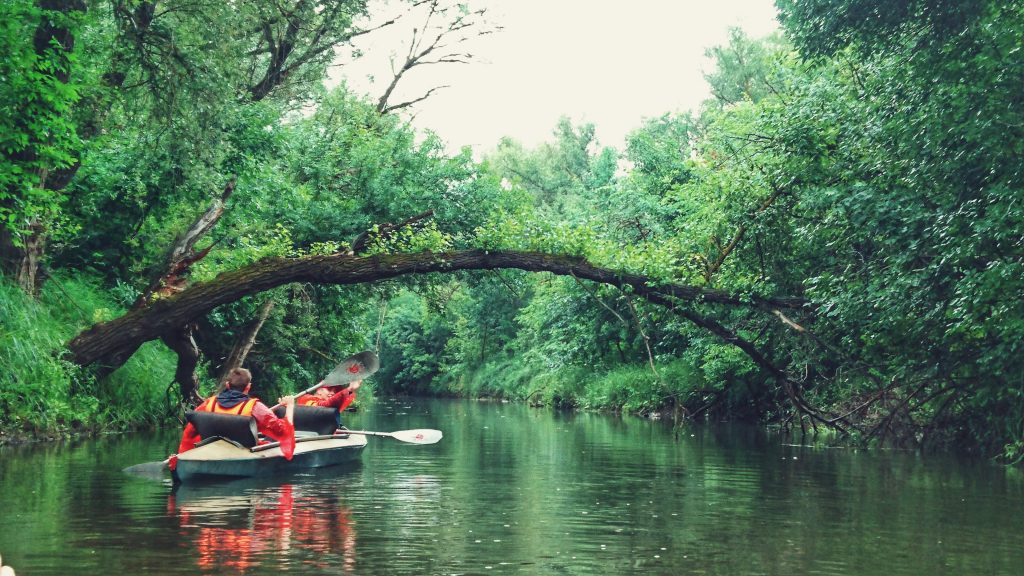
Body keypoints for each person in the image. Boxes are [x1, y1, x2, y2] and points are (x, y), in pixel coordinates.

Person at [172, 368, 296, 468]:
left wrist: (182, 457)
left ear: (227, 385)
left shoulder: (209, 403)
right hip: (242, 453)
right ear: (248, 387)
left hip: (211, 450)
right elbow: (284, 431)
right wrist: (289, 406)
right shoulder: (256, 407)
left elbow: (189, 433)